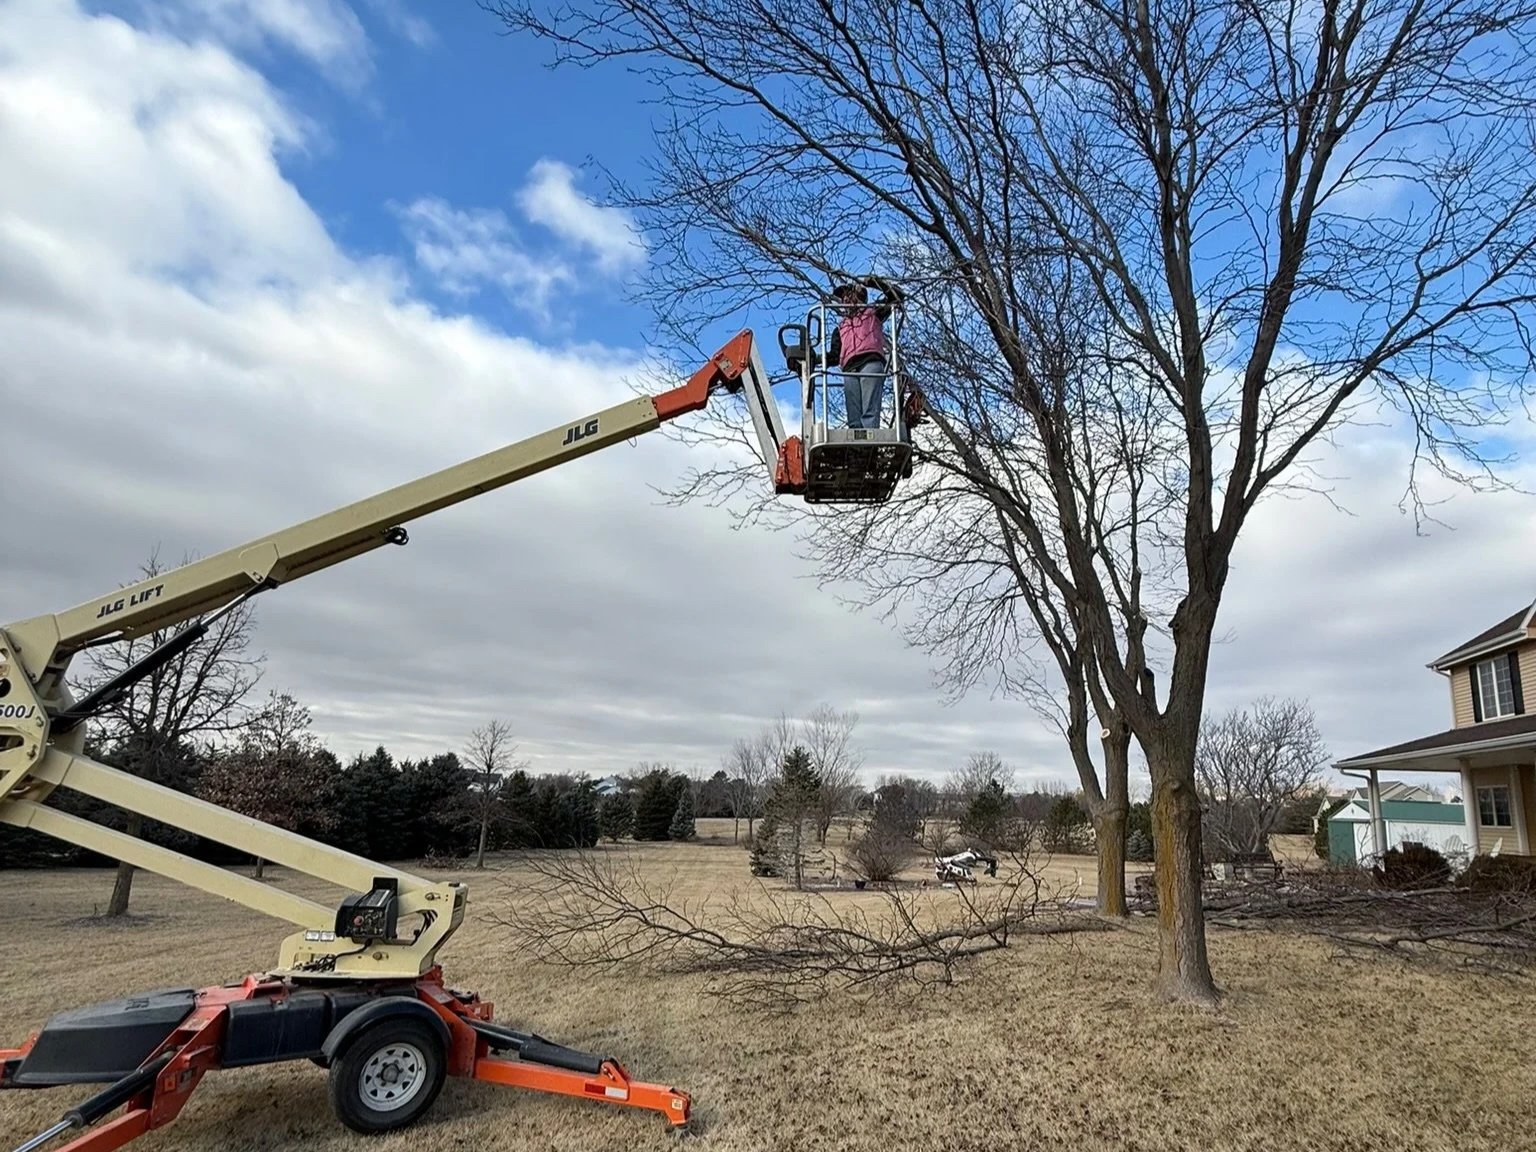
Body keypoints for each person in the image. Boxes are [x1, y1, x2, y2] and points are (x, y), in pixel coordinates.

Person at [825, 274, 903, 430]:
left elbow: (896, 297)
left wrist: (876, 282)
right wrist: (814, 359)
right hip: (849, 368)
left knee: (869, 410)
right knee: (853, 414)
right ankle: (857, 446)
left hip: (870, 361)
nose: (845, 300)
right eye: (843, 298)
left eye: (848, 295)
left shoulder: (873, 313)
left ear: (859, 296)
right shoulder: (840, 328)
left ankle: (870, 439)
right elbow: (834, 356)